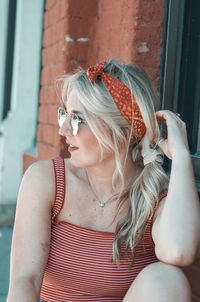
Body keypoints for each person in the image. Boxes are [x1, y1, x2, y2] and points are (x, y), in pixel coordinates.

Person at [7, 59, 200, 302]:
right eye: (64, 114)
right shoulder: (46, 180)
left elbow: (179, 251)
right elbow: (25, 279)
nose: (64, 130)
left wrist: (182, 158)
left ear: (122, 128)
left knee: (168, 280)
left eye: (77, 119)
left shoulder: (154, 197)